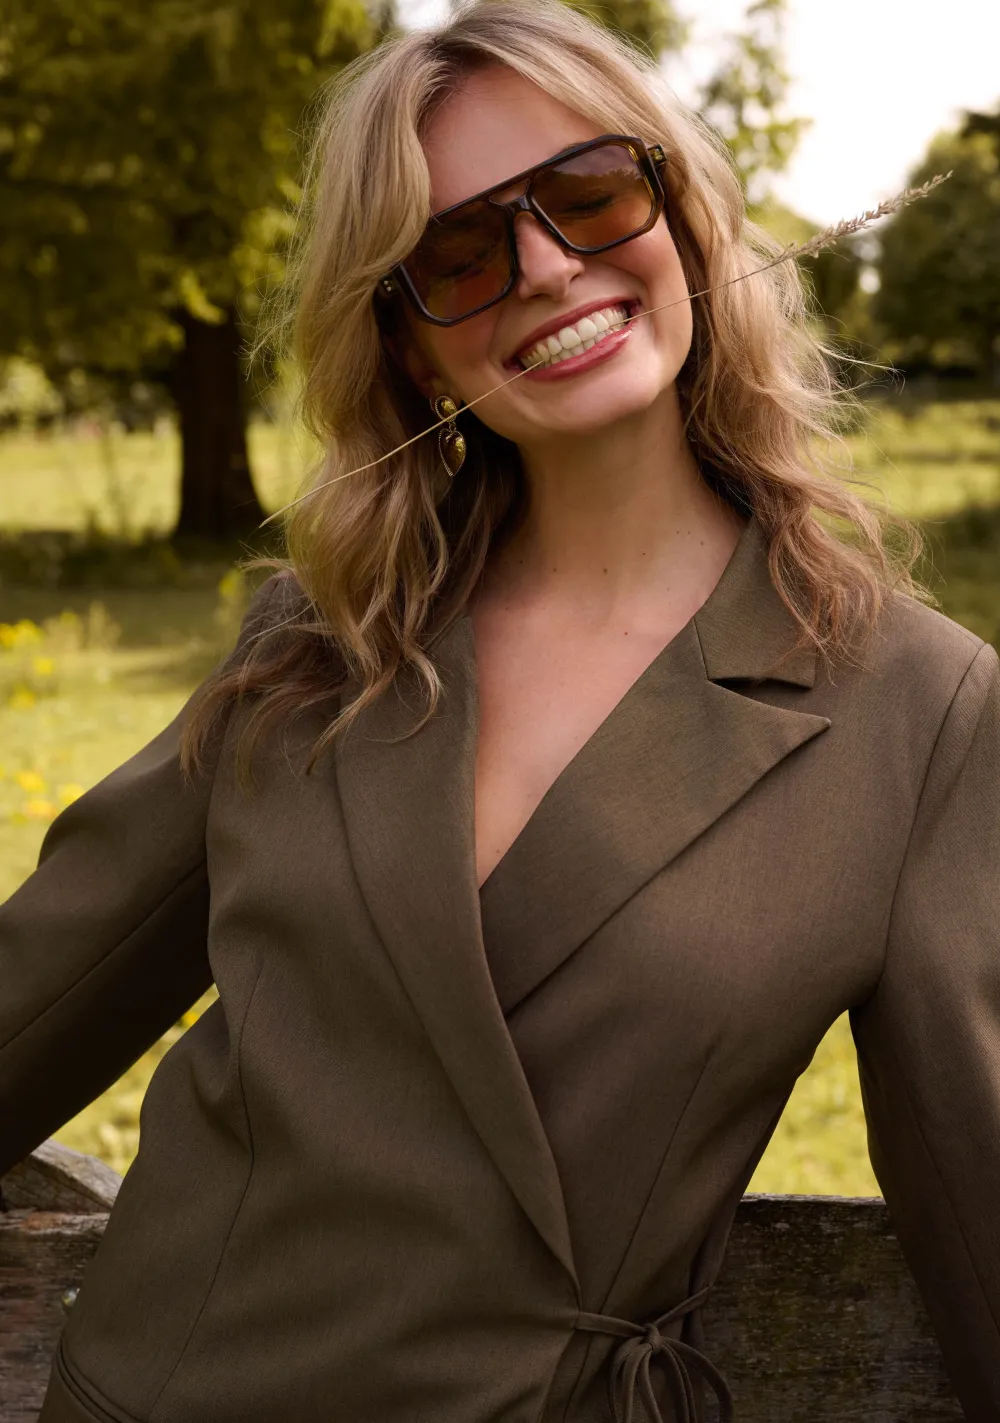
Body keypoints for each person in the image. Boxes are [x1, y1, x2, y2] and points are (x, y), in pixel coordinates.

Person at [2, 2, 998, 1420]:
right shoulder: (315, 650)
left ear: (683, 220)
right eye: (457, 255)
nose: (542, 267)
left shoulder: (919, 709)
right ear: (407, 347)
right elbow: (32, 1000)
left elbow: (976, 1204)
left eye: (589, 193)